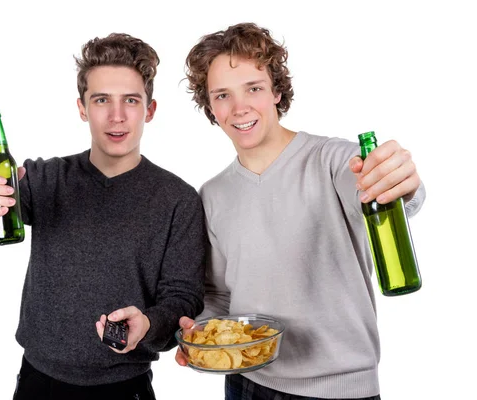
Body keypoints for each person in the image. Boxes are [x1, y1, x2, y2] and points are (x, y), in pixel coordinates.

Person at [175, 22, 426, 400]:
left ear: (276, 91)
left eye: (254, 88)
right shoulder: (211, 194)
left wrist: (399, 182)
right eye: (223, 94)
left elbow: (383, 191)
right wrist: (203, 333)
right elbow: (221, 295)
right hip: (247, 383)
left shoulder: (334, 160)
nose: (239, 107)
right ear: (210, 106)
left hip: (340, 390)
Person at [0, 32, 206, 400]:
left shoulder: (178, 199)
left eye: (131, 101)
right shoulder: (45, 178)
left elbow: (184, 298)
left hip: (126, 386)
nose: (117, 116)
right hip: (38, 381)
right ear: (82, 108)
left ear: (149, 110)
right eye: (102, 99)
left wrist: (149, 324)